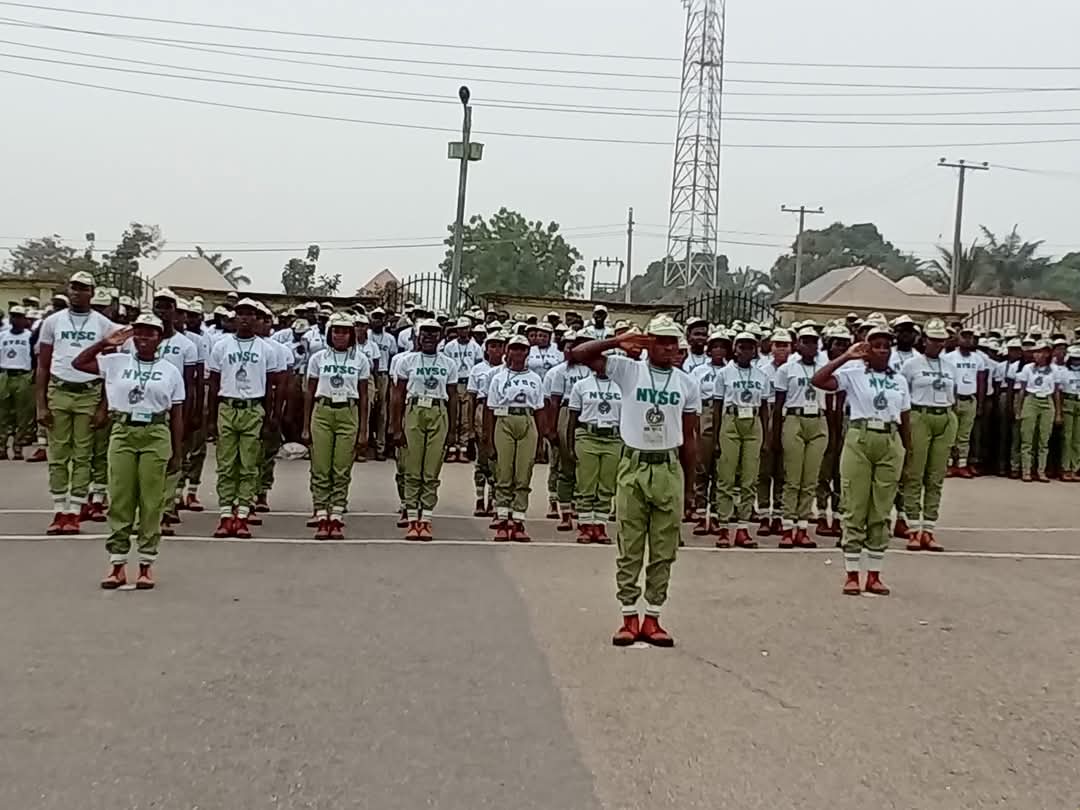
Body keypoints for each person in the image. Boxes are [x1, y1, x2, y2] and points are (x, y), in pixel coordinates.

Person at [568, 316, 699, 648]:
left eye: (673, 342)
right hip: (634, 465)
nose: (669, 348)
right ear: (647, 342)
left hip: (668, 466)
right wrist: (617, 342)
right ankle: (629, 616)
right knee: (630, 545)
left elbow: (690, 436)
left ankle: (653, 617)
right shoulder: (628, 370)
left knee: (664, 547)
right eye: (661, 341)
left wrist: (690, 485)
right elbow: (577, 354)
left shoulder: (687, 383)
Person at [72, 314, 184, 591]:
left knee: (151, 500)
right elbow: (79, 363)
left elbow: (178, 413)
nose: (144, 337)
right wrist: (104, 343)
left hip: (156, 433)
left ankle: (146, 564)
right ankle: (117, 563)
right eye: (140, 332)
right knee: (121, 496)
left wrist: (177, 452)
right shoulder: (117, 362)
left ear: (160, 337)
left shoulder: (170, 370)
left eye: (151, 333)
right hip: (123, 430)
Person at [812, 321, 911, 596]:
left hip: (890, 440)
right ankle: (852, 573)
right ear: (866, 348)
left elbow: (905, 418)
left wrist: (907, 453)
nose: (881, 350)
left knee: (880, 509)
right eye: (875, 345)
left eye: (885, 346)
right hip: (860, 437)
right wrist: (846, 357)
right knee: (855, 505)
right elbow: (819, 381)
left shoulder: (899, 379)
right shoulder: (854, 374)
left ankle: (875, 574)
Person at [35, 271, 119, 535]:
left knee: (83, 455)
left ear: (92, 293)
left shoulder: (104, 324)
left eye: (83, 288)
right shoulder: (52, 322)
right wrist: (41, 404)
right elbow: (43, 364)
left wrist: (104, 406)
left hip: (89, 393)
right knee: (58, 454)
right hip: (59, 391)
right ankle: (59, 509)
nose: (76, 292)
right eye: (73, 287)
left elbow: (111, 368)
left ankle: (74, 511)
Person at [207, 298, 285, 539]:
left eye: (250, 314)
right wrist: (211, 418)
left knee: (249, 464)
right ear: (234, 317)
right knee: (227, 464)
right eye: (240, 313)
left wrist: (271, 417)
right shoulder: (221, 346)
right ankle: (225, 515)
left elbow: (273, 386)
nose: (244, 318)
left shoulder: (266, 349)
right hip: (228, 406)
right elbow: (213, 383)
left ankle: (242, 514)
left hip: (253, 408)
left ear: (257, 318)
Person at [122, 289, 198, 536]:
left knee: (171, 462)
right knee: (139, 469)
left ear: (176, 311)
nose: (163, 311)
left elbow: (190, 384)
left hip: (168, 410)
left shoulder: (186, 345)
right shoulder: (134, 342)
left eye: (167, 307)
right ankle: (139, 513)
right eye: (158, 306)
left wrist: (188, 416)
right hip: (137, 408)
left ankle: (165, 510)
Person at [303, 312, 371, 539]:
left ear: (352, 335)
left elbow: (363, 397)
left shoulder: (360, 360)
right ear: (329, 333)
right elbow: (309, 392)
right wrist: (305, 425)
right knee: (321, 466)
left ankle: (337, 514)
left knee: (341, 467)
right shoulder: (318, 358)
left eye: (345, 331)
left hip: (348, 412)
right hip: (322, 411)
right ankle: (321, 513)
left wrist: (363, 429)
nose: (340, 335)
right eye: (336, 331)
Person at [391, 319, 457, 540]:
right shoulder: (406, 361)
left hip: (438, 411)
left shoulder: (449, 363)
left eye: (434, 333)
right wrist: (396, 426)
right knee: (412, 467)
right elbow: (398, 395)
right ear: (418, 336)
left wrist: (452, 430)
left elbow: (453, 396)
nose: (429, 337)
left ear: (440, 337)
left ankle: (426, 518)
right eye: (425, 333)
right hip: (415, 410)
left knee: (431, 469)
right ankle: (411, 518)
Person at [897, 319, 957, 551]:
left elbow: (956, 397)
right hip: (919, 416)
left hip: (945, 416)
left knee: (936, 477)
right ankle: (913, 528)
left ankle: (929, 529)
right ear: (924, 340)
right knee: (914, 473)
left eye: (941, 340)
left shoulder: (949, 366)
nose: (938, 344)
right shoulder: (911, 365)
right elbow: (902, 396)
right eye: (933, 339)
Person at [713, 332, 773, 549]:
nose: (746, 351)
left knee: (750, 477)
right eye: (742, 346)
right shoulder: (724, 374)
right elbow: (718, 406)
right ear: (735, 349)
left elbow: (765, 407)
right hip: (732, 419)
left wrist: (765, 436)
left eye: (750, 347)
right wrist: (717, 437)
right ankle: (723, 527)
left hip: (753, 422)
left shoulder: (761, 375)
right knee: (726, 477)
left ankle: (743, 528)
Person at [483, 335, 544, 541]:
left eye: (522, 349)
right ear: (507, 351)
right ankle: (502, 519)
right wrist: (489, 439)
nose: (518, 353)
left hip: (526, 420)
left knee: (523, 472)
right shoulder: (498, 377)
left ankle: (518, 520)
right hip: (504, 419)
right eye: (515, 349)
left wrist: (541, 438)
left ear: (528, 352)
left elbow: (539, 410)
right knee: (504, 471)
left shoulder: (535, 378)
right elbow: (489, 409)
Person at [772, 326, 827, 548]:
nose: (810, 346)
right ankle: (787, 526)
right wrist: (775, 435)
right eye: (805, 341)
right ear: (797, 344)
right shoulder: (787, 369)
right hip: (794, 418)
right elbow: (778, 404)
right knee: (793, 477)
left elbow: (832, 402)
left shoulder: (824, 368)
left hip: (818, 420)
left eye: (813, 341)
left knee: (810, 478)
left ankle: (803, 526)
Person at [567, 354, 623, 544]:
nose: (603, 365)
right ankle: (585, 525)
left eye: (607, 362)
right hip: (587, 435)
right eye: (599, 361)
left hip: (613, 438)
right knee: (586, 483)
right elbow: (573, 417)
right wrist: (570, 444)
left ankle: (600, 525)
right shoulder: (581, 385)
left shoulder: (621, 386)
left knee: (607, 485)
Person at [544, 331, 593, 531]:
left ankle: (580, 507)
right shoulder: (560, 372)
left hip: (588, 412)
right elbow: (554, 401)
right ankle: (563, 507)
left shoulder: (593, 370)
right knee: (566, 462)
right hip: (566, 411)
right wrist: (552, 428)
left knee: (585, 464)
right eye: (572, 346)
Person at [690, 331, 729, 534]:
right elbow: (693, 398)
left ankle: (715, 514)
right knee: (702, 465)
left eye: (722, 347)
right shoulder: (698, 371)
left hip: (725, 413)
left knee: (720, 467)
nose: (718, 350)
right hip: (704, 411)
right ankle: (700, 511)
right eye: (715, 346)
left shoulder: (730, 370)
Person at [754, 329, 789, 537]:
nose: (781, 349)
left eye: (785, 345)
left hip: (787, 417)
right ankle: (764, 514)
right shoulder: (762, 369)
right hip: (767, 415)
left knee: (782, 470)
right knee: (764, 469)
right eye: (778, 345)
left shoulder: (794, 368)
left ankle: (778, 514)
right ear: (771, 347)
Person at [467, 331, 505, 517]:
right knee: (482, 460)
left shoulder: (508, 369)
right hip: (483, 411)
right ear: (487, 348)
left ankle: (494, 500)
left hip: (501, 412)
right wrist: (471, 427)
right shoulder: (477, 369)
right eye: (492, 346)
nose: (496, 350)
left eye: (499, 346)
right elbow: (472, 398)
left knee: (497, 460)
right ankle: (480, 499)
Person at [1015, 340, 1062, 482]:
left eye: (1042, 352)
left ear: (1048, 353)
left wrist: (1058, 413)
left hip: (1047, 401)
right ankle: (1026, 470)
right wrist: (1019, 409)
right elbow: (1022, 390)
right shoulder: (1028, 368)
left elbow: (1056, 393)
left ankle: (1041, 470)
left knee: (1044, 439)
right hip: (1031, 400)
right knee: (1027, 438)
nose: (1038, 355)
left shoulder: (1054, 370)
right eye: (1036, 352)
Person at [179, 300, 210, 509]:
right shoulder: (164, 339)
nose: (189, 319)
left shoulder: (200, 340)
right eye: (186, 314)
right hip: (174, 395)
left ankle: (193, 491)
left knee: (197, 446)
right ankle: (176, 490)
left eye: (193, 315)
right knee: (178, 446)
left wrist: (199, 406)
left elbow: (200, 376)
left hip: (198, 392)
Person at [945, 328, 988, 477]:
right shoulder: (949, 358)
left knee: (965, 435)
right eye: (964, 337)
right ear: (958, 339)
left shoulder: (978, 359)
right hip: (954, 399)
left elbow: (981, 381)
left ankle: (962, 464)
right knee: (951, 434)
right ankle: (949, 464)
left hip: (970, 399)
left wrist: (980, 404)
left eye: (970, 337)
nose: (968, 340)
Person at [442, 316, 483, 463]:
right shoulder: (450, 347)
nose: (463, 331)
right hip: (454, 382)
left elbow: (478, 367)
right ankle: (451, 447)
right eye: (460, 328)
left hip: (468, 383)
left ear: (469, 330)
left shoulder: (475, 347)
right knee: (454, 416)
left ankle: (463, 448)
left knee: (466, 417)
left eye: (466, 328)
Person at [0, 305, 35, 459]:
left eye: (19, 316)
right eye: (13, 316)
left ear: (25, 319)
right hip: (5, 374)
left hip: (23, 375)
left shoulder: (30, 336)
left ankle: (18, 446)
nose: (16, 319)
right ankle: (1, 446)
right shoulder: (3, 335)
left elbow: (35, 357)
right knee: (3, 413)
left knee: (23, 414)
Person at [367, 307, 397, 460]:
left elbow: (392, 358)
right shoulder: (366, 336)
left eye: (380, 318)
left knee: (382, 412)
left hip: (384, 374)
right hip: (369, 376)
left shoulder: (390, 339)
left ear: (384, 320)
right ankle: (365, 444)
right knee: (366, 410)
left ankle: (380, 447)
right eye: (375, 317)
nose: (378, 320)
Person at [1058, 346, 1080, 481]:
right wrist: (1059, 410)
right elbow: (1059, 392)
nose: (1077, 362)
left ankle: (1075, 468)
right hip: (1068, 401)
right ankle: (1065, 467)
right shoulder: (1064, 372)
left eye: (1079, 359)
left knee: (1078, 439)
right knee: (1067, 437)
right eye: (1074, 359)